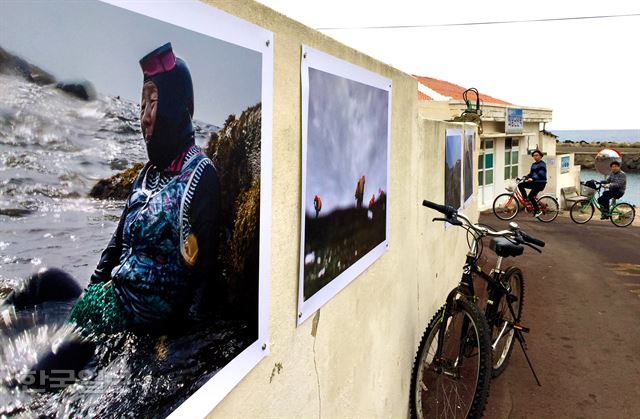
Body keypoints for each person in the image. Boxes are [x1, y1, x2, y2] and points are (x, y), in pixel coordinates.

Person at [4, 43, 221, 387]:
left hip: (131, 324)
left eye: (154, 102)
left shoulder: (200, 178)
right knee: (48, 281)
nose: (145, 115)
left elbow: (201, 279)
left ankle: (19, 390)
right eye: (142, 103)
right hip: (104, 307)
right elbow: (114, 247)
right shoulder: (144, 176)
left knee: (40, 374)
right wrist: (90, 295)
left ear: (179, 106)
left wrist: (170, 350)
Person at [518, 149, 547, 218]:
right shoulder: (533, 164)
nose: (535, 157)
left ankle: (537, 210)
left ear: (541, 156)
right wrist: (525, 177)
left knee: (531, 196)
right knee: (520, 185)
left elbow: (541, 174)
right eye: (533, 156)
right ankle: (526, 199)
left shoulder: (542, 164)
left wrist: (533, 178)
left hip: (540, 183)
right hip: (534, 183)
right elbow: (531, 174)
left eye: (537, 155)